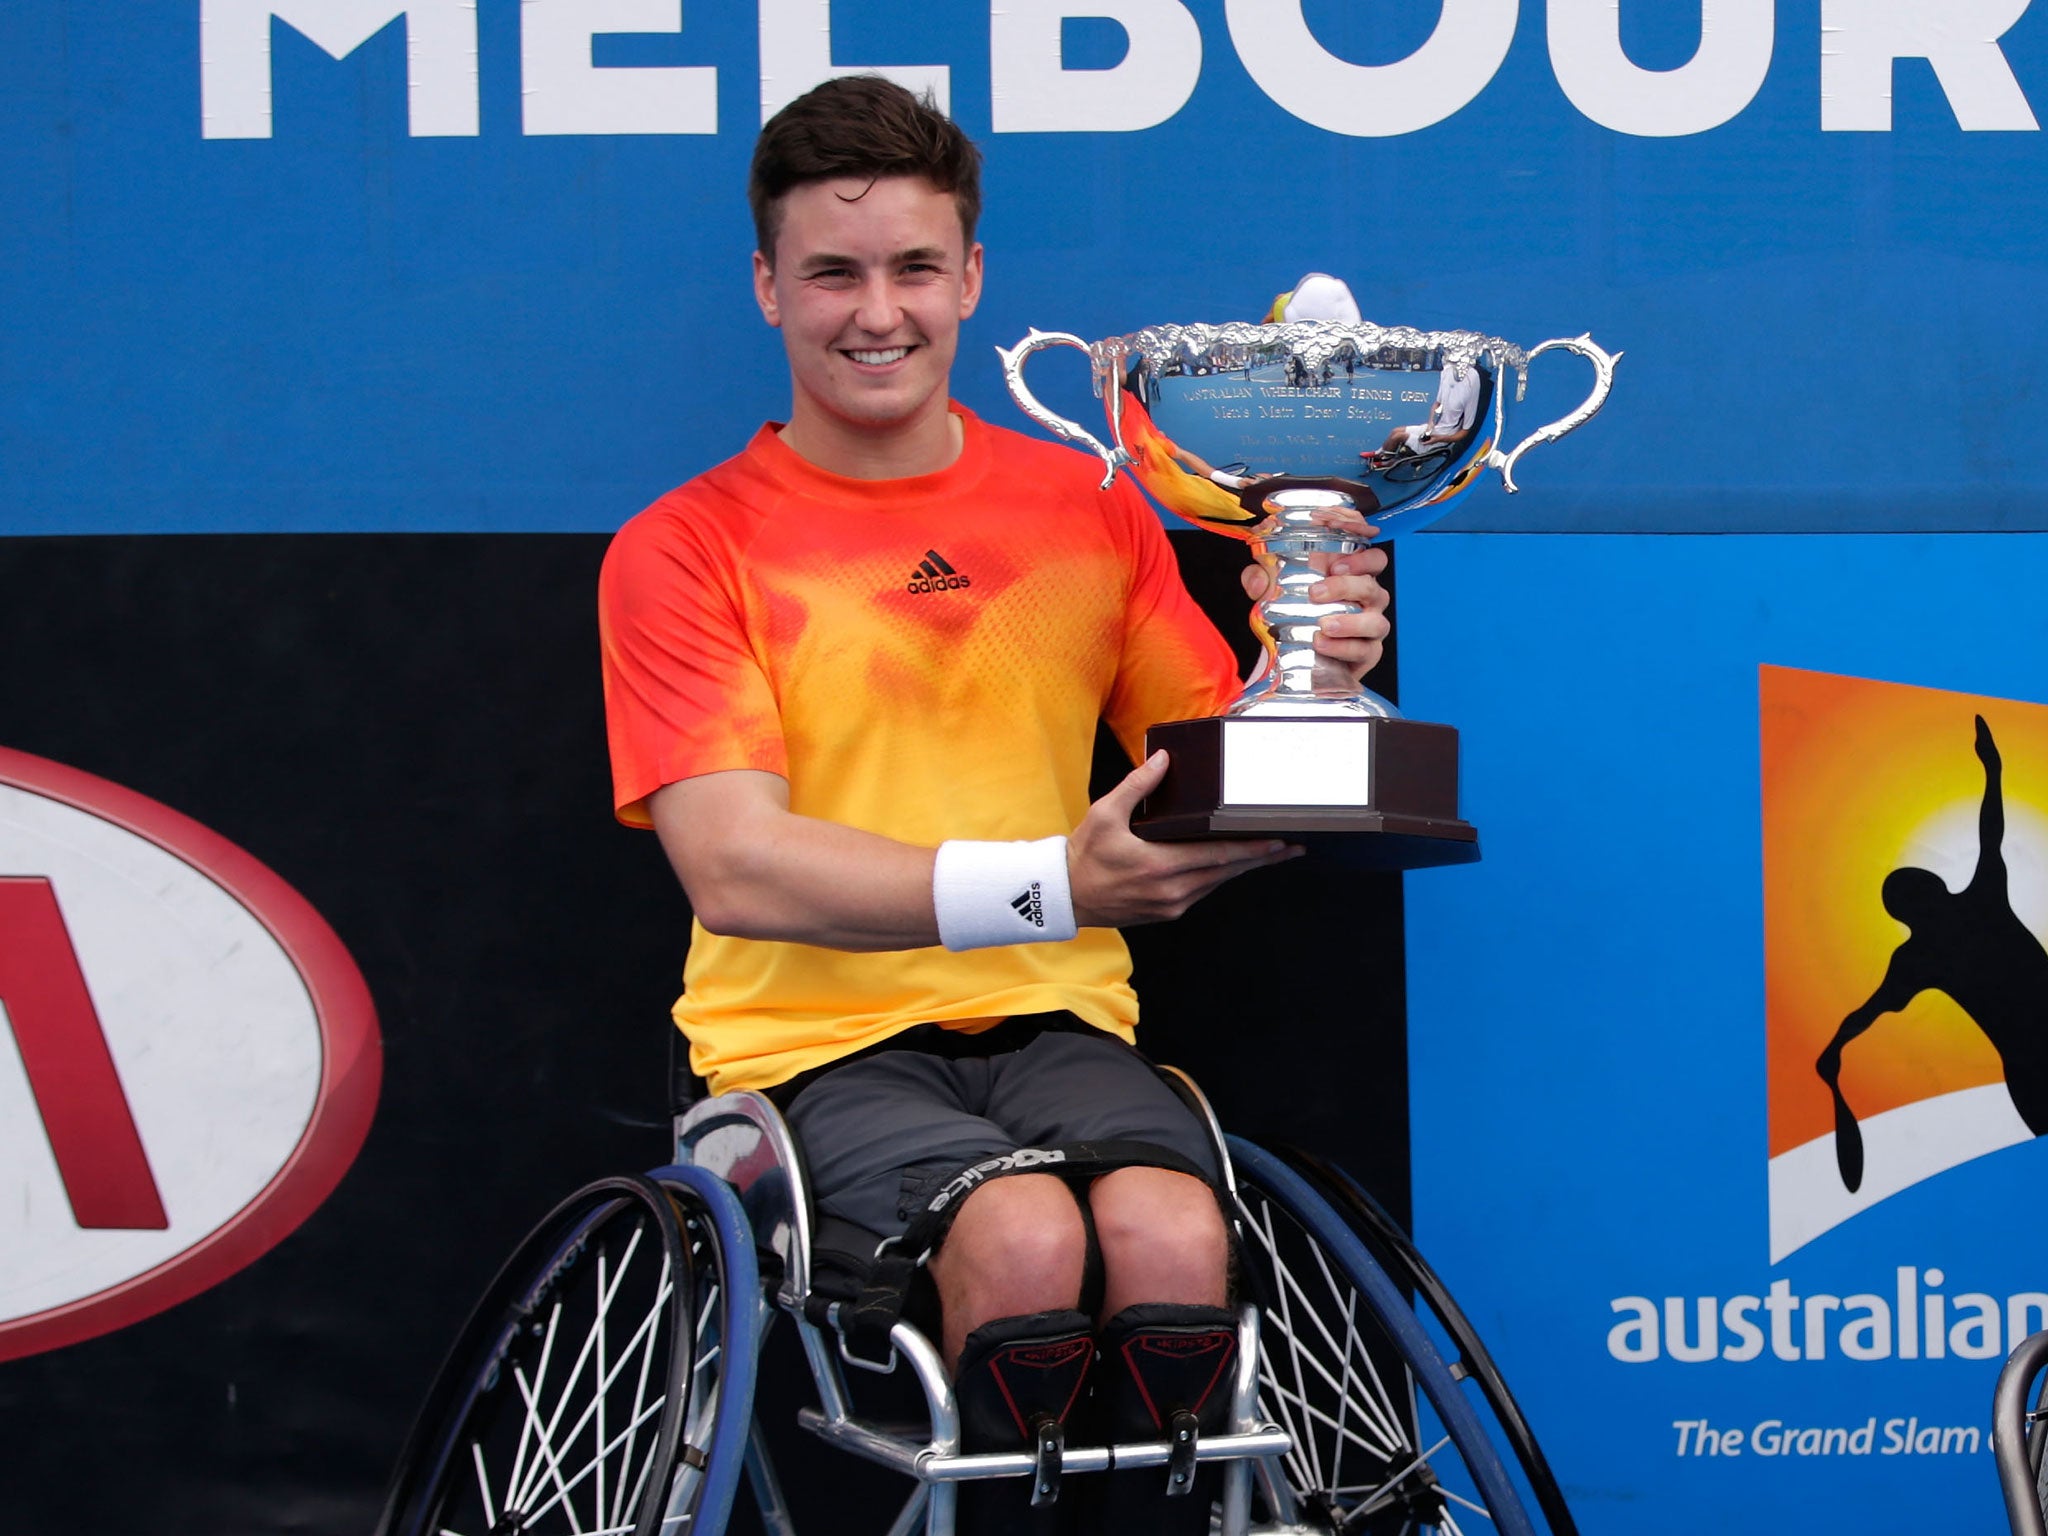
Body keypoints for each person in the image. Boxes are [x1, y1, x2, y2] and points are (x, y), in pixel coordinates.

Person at [597, 75, 1390, 1532]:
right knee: (1023, 1239)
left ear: (971, 277)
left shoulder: (1085, 509)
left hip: (1059, 1022)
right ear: (769, 287)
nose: (875, 310)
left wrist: (1320, 673)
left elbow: (1208, 756)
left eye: (912, 267)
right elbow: (737, 870)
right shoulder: (683, 548)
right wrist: (1059, 882)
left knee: (1168, 1226)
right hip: (816, 1045)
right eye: (832, 271)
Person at [1818, 715, 2048, 1191]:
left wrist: (1835, 1049)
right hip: (2032, 1075)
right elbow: (1992, 833)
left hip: (2029, 1076)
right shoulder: (1975, 905)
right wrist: (1993, 770)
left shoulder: (1921, 955)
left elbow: (1865, 1014)